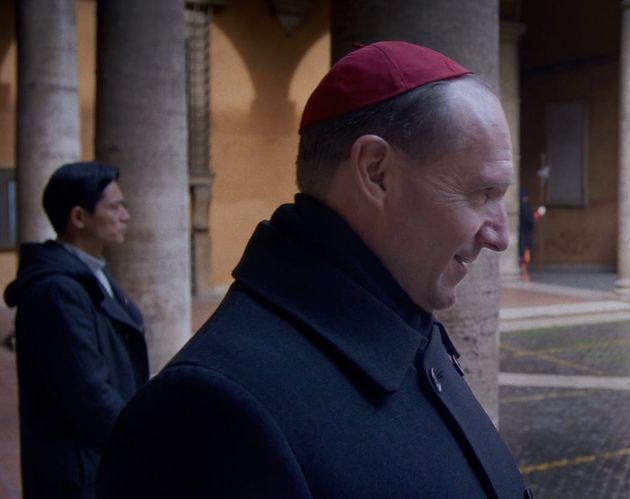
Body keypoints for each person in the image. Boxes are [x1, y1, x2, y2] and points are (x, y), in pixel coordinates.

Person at [96, 41, 530, 498]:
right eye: (481, 194)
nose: (500, 236)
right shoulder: (205, 415)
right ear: (377, 172)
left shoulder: (404, 321)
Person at [4, 161, 147, 499]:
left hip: (97, 460)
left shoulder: (92, 272)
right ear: (79, 218)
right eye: (115, 206)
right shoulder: (57, 291)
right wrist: (142, 441)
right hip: (78, 473)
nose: (125, 215)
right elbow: (89, 394)